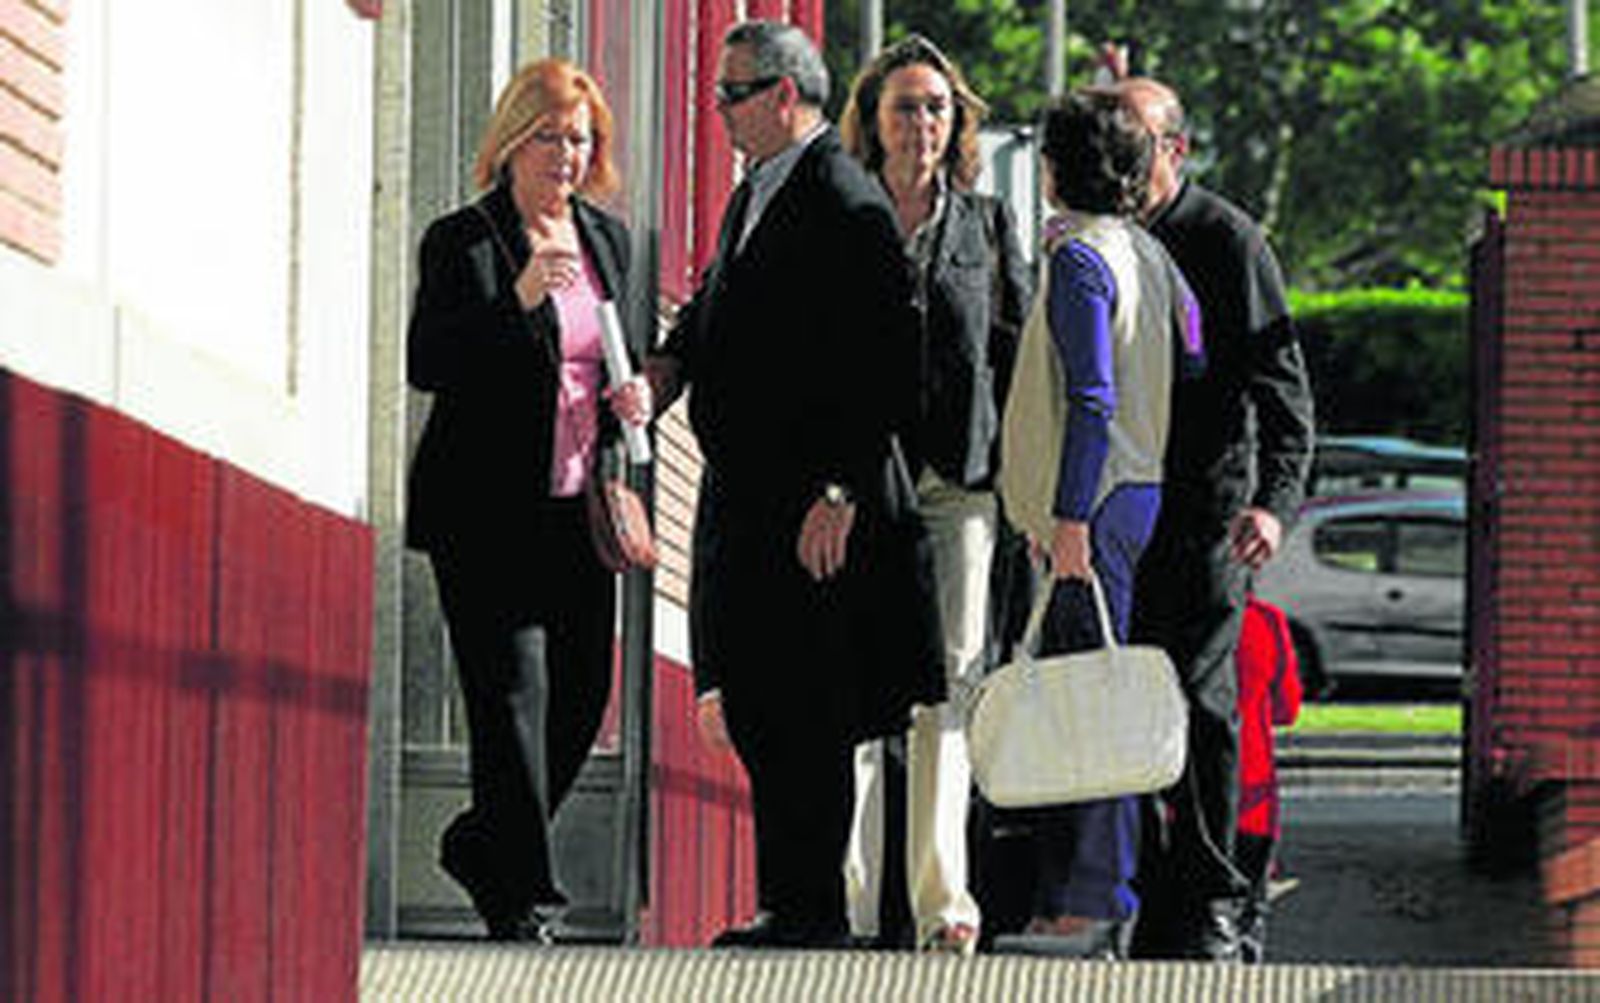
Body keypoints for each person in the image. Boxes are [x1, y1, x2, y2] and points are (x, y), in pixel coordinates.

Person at [624, 21, 944, 949]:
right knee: (762, 691)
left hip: (812, 499)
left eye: (732, 94)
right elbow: (719, 305)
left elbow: (887, 356)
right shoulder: (755, 194)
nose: (717, 110)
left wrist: (839, 490)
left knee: (809, 702)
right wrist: (667, 370)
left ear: (784, 97)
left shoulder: (844, 200)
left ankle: (806, 910)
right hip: (749, 491)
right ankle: (791, 898)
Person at [404, 58, 648, 942]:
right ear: (511, 142)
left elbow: (621, 355)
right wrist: (514, 302)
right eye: (548, 135)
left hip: (578, 507)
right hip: (484, 512)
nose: (567, 153)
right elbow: (428, 362)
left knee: (582, 695)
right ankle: (526, 901)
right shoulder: (464, 240)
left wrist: (635, 399)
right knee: (512, 698)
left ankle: (479, 841)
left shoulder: (607, 242)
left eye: (581, 137)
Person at [993, 87, 1202, 959]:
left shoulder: (1080, 258)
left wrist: (1068, 514)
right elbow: (1191, 346)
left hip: (1094, 499)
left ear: (1056, 168)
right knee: (1097, 687)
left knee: (1089, 701)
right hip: (1141, 488)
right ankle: (1092, 890)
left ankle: (1090, 899)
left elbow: (1089, 395)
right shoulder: (1154, 255)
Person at [833, 34, 1031, 956]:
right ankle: (850, 894)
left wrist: (1025, 486)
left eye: (937, 108)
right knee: (853, 683)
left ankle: (943, 902)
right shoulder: (844, 216)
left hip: (960, 485)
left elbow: (1019, 358)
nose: (923, 122)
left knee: (949, 685)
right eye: (906, 105)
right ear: (872, 121)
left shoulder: (986, 228)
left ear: (958, 126)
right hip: (860, 484)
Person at [1113, 74, 1316, 960]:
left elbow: (1285, 391)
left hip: (1209, 511)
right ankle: (1153, 895)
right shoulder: (1104, 238)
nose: (1121, 160)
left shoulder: (1226, 239)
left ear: (1175, 149)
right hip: (1122, 511)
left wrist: (1274, 502)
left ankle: (1215, 899)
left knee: (1202, 703)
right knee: (1130, 705)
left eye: (1136, 141)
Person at [1234, 593, 1303, 963]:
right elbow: (1287, 709)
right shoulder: (1266, 619)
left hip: (1184, 794)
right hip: (1252, 789)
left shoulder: (1168, 614)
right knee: (1248, 918)